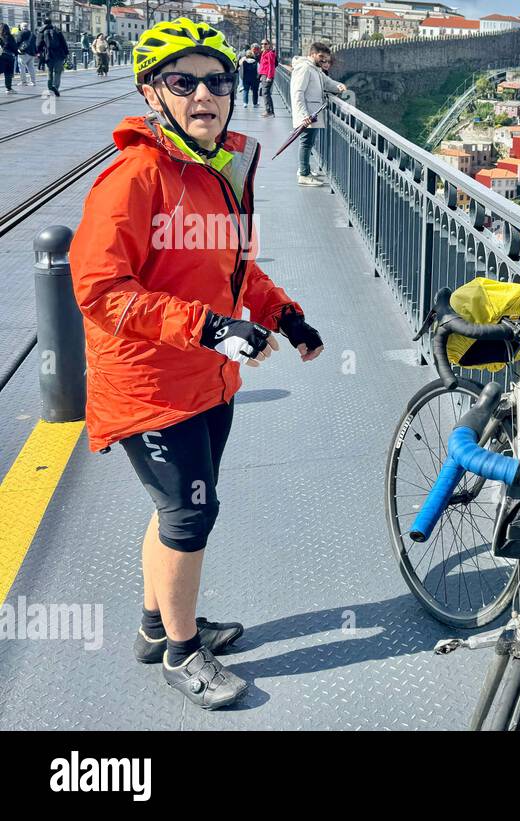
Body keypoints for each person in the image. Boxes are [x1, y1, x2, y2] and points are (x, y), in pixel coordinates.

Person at [68, 17, 325, 710]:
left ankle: (159, 626)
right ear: (154, 93)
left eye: (215, 81)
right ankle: (183, 655)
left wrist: (282, 313)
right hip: (151, 383)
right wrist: (209, 328)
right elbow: (97, 287)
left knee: (176, 512)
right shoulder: (136, 175)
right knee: (188, 516)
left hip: (207, 378)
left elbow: (231, 269)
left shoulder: (220, 169)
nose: (203, 94)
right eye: (184, 82)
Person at [289, 42, 347, 186]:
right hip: (308, 114)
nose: (323, 60)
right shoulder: (304, 68)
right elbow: (298, 93)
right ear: (312, 54)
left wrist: (338, 86)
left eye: (326, 58)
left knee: (308, 143)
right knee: (306, 143)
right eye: (321, 56)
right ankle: (303, 174)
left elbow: (327, 82)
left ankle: (305, 169)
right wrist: (304, 115)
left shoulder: (315, 69)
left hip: (313, 113)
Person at [38, 19, 68, 96]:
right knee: (58, 72)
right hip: (59, 54)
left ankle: (50, 89)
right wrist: (66, 53)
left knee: (50, 72)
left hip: (48, 55)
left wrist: (38, 52)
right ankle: (55, 87)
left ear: (43, 23)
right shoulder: (57, 30)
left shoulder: (41, 31)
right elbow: (63, 43)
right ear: (51, 23)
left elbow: (38, 44)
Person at [257, 38, 275, 116]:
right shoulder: (264, 53)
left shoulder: (270, 53)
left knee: (265, 93)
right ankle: (270, 110)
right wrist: (261, 75)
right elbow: (263, 65)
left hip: (267, 75)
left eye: (265, 44)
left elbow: (271, 66)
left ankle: (268, 111)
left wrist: (269, 77)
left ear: (269, 45)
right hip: (264, 75)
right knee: (265, 93)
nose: (263, 45)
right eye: (262, 44)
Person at [15, 22, 35, 86]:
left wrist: (17, 49)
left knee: (22, 67)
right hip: (31, 53)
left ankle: (24, 82)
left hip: (23, 53)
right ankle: (33, 81)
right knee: (31, 68)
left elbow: (17, 42)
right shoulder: (32, 34)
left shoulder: (21, 33)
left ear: (21, 27)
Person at [1, 24, 16, 94]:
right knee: (8, 74)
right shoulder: (10, 37)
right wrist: (16, 53)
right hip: (9, 56)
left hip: (1, 56)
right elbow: (14, 47)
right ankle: (8, 89)